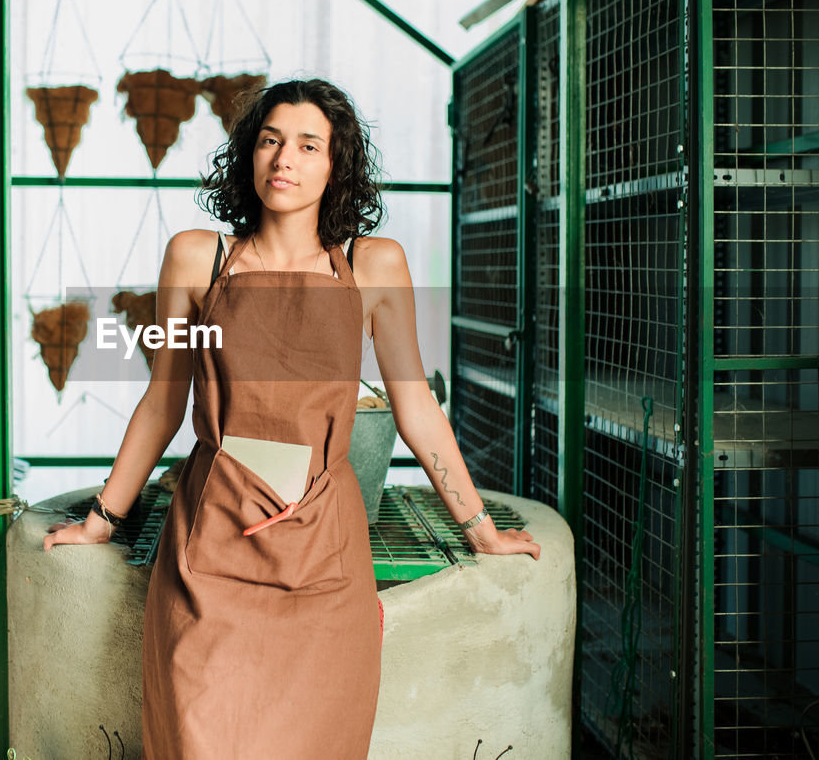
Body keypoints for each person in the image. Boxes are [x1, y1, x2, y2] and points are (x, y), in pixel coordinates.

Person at [42, 79, 541, 758]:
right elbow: (164, 398)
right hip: (212, 544)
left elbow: (415, 403)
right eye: (271, 140)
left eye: (309, 145)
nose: (285, 158)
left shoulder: (374, 264)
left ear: (337, 165)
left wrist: (480, 529)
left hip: (324, 553)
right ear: (249, 155)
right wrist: (102, 517)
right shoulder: (198, 256)